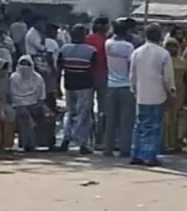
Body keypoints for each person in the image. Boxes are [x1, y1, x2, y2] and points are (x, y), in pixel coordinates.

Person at [129, 25, 175, 167]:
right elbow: (168, 78)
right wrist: (171, 92)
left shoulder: (137, 52)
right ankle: (149, 156)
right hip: (157, 94)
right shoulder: (163, 53)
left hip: (141, 94)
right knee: (154, 126)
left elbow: (132, 75)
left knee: (140, 125)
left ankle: (136, 154)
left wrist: (134, 90)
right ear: (159, 36)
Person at [57, 24, 98, 154]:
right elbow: (94, 70)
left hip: (69, 85)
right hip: (85, 85)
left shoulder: (64, 49)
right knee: (84, 115)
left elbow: (60, 68)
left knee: (70, 112)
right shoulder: (91, 51)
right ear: (84, 35)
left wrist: (57, 85)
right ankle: (82, 144)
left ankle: (66, 140)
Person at [103, 21, 136, 157]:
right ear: (127, 31)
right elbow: (131, 67)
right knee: (126, 120)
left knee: (110, 119)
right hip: (126, 85)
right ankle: (124, 148)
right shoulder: (128, 47)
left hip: (111, 85)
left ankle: (108, 148)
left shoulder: (108, 44)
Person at [9, 55, 48, 152]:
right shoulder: (13, 78)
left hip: (34, 104)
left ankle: (36, 142)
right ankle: (28, 143)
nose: (25, 67)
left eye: (27, 64)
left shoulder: (38, 78)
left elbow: (42, 96)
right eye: (22, 64)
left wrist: (37, 105)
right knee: (24, 114)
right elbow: (12, 95)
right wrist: (23, 104)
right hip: (17, 105)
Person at [87, 17, 110, 147]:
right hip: (102, 76)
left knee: (88, 108)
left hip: (89, 76)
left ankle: (89, 138)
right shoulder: (106, 41)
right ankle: (100, 138)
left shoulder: (87, 39)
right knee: (103, 109)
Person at [162, 38, 187, 153]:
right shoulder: (182, 61)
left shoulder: (165, 61)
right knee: (172, 117)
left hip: (172, 89)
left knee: (172, 116)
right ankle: (172, 142)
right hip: (176, 89)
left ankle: (170, 142)